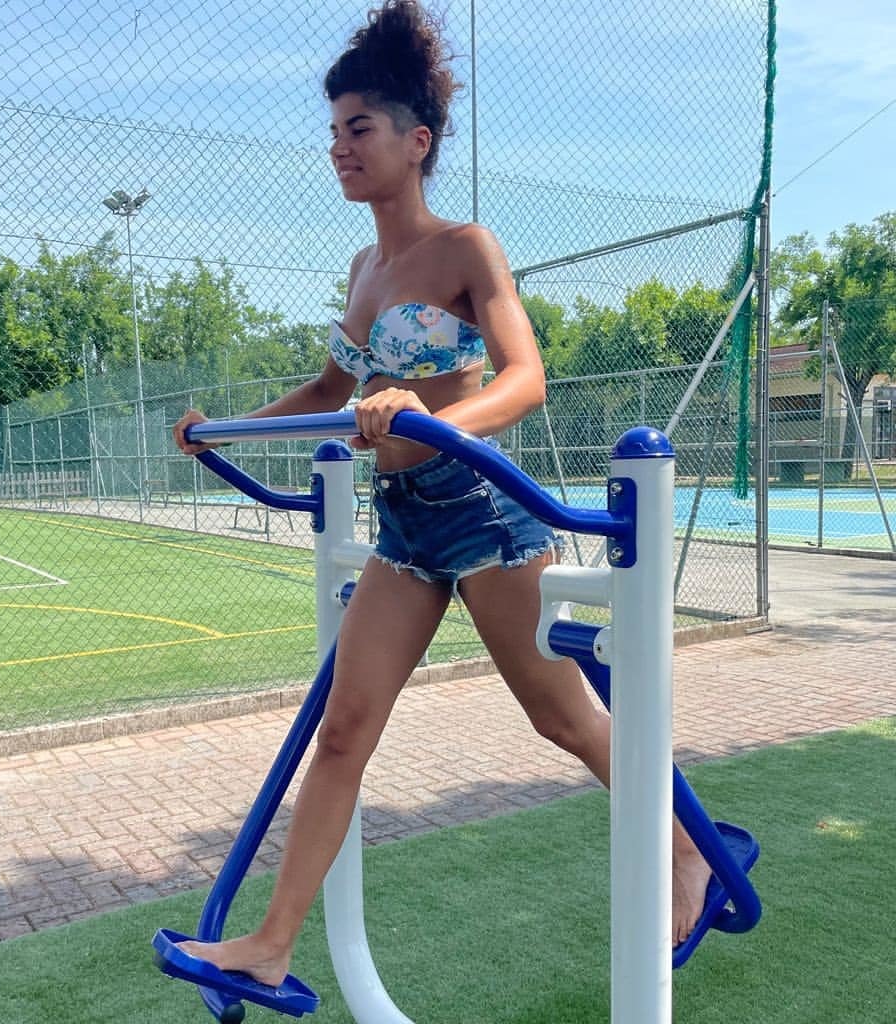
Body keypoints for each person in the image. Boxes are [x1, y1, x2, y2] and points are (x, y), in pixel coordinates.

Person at [171, 0, 710, 987]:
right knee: (344, 728)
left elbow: (524, 378)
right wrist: (222, 431)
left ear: (416, 141)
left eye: (359, 128)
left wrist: (429, 417)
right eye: (334, 131)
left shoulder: (466, 248)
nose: (339, 147)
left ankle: (686, 850)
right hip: (404, 527)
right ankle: (271, 945)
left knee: (562, 717)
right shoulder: (363, 269)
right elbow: (329, 392)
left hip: (484, 512)